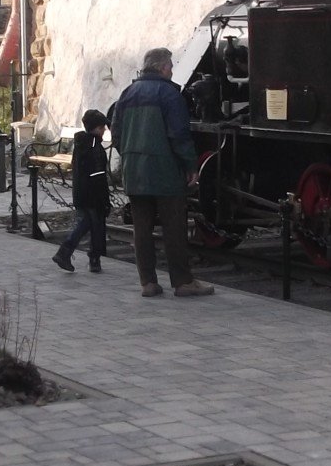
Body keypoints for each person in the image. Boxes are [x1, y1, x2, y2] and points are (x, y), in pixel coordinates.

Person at [109, 47, 214, 298]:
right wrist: (190, 166)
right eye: (170, 67)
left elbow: (116, 133)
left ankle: (148, 282)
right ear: (163, 67)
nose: (172, 71)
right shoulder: (169, 94)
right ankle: (182, 282)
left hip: (134, 171)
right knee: (174, 227)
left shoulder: (127, 93)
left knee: (142, 228)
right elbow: (179, 134)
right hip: (165, 171)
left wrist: (131, 155)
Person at [52, 109, 111, 274]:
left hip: (81, 191)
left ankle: (70, 253)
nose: (105, 130)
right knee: (94, 225)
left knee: (87, 223)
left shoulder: (82, 144)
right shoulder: (95, 147)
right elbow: (98, 175)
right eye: (102, 127)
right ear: (97, 128)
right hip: (94, 194)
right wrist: (104, 198)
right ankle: (83, 256)